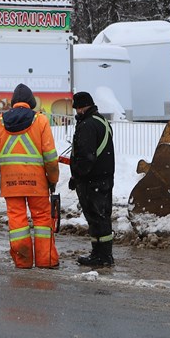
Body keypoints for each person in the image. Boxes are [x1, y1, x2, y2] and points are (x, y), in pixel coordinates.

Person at [0, 83, 61, 269]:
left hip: (11, 184)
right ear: (31, 102)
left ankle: (23, 260)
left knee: (17, 222)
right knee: (42, 220)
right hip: (37, 183)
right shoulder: (40, 121)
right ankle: (46, 260)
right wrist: (53, 179)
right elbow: (50, 157)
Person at [67, 90, 115, 268]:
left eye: (77, 108)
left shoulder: (87, 125)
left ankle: (100, 256)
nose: (76, 113)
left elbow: (86, 157)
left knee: (96, 218)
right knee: (103, 216)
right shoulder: (102, 121)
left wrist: (77, 176)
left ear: (81, 107)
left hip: (91, 180)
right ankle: (104, 254)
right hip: (105, 178)